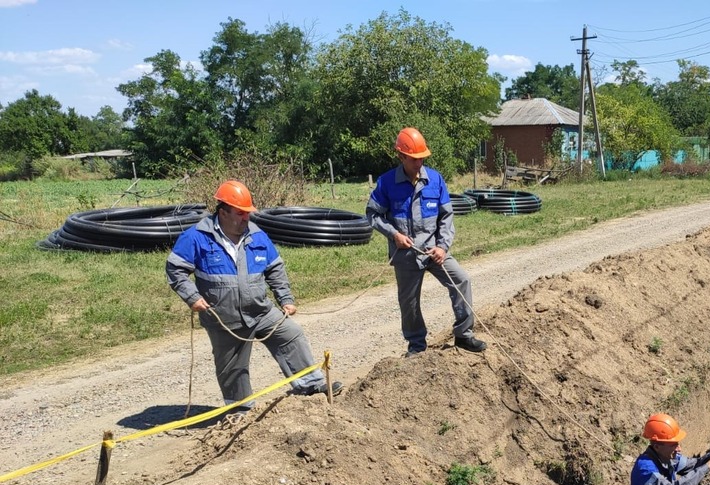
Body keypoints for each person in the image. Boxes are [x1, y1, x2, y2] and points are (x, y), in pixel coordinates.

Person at [166, 179, 341, 410]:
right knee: (232, 367)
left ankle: (310, 385)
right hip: (223, 317)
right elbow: (175, 269)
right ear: (223, 211)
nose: (245, 218)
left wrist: (285, 299)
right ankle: (240, 409)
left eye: (247, 213)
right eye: (240, 213)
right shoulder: (196, 236)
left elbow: (275, 268)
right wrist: (192, 297)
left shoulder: (257, 235)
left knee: (291, 334)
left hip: (260, 311)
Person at [366, 127, 486, 356]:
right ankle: (417, 346)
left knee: (462, 280)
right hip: (407, 254)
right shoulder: (386, 183)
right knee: (409, 303)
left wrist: (442, 247)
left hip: (434, 251)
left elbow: (446, 217)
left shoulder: (435, 180)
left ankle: (464, 335)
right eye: (413, 159)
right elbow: (372, 215)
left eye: (422, 159)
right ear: (401, 156)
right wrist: (394, 235)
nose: (418, 163)